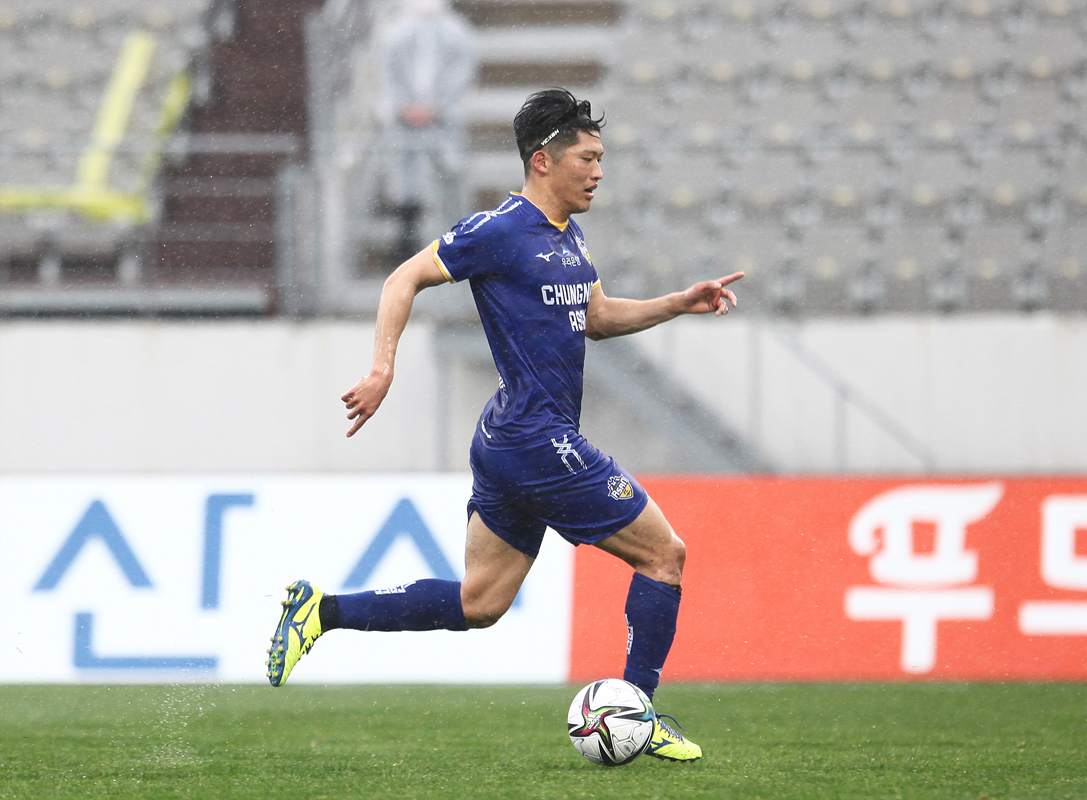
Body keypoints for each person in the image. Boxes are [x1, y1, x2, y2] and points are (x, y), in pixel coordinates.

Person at [266, 88, 743, 763]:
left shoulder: (569, 237)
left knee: (481, 603)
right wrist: (382, 368)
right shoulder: (499, 229)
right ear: (543, 161)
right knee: (665, 555)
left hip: (507, 440)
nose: (599, 171)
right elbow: (403, 278)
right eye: (587, 158)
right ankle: (638, 710)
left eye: (600, 159)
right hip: (539, 441)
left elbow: (595, 317)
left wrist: (676, 302)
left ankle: (321, 611)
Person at [374, 0, 474, 263]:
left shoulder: (457, 32)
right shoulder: (395, 33)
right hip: (405, 120)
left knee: (449, 171)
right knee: (405, 176)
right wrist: (404, 107)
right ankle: (406, 238)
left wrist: (437, 108)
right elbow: (388, 74)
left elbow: (461, 74)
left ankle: (455, 239)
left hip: (442, 120)